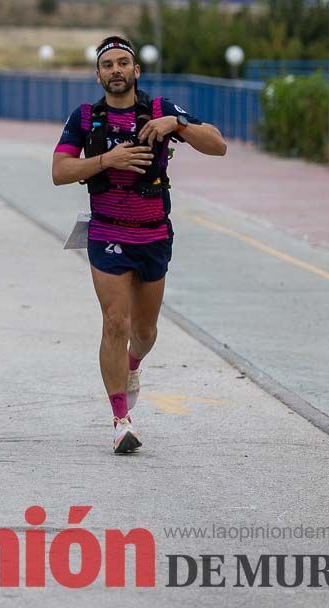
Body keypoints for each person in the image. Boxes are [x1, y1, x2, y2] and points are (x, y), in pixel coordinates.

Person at [52, 36, 227, 455]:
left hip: (152, 233)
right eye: (107, 65)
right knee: (115, 322)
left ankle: (133, 365)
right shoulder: (85, 118)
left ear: (136, 71)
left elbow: (218, 145)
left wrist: (178, 125)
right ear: (98, 75)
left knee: (144, 333)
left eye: (123, 63)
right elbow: (59, 171)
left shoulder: (160, 111)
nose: (116, 70)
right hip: (107, 231)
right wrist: (105, 161)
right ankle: (120, 421)